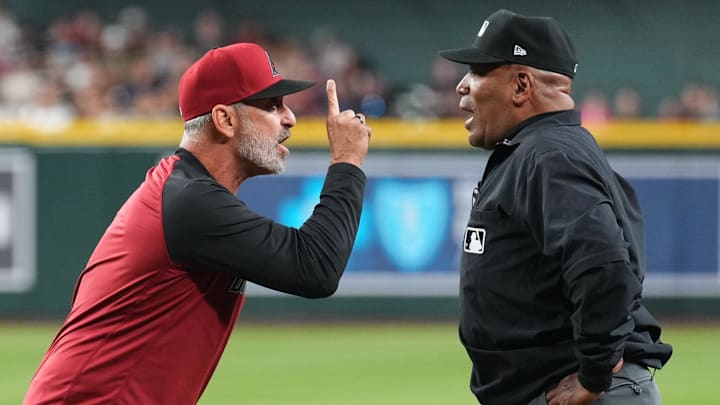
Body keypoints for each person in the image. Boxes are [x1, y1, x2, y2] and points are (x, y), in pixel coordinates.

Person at [24, 42, 371, 404]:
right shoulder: (190, 202)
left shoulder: (188, 192)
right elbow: (315, 268)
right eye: (271, 105)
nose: (289, 118)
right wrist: (346, 161)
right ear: (225, 119)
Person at [438, 9, 672, 405]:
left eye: (477, 71)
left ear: (521, 85)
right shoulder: (542, 150)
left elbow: (605, 268)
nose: (462, 86)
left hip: (586, 394)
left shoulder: (549, 155)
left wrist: (594, 374)